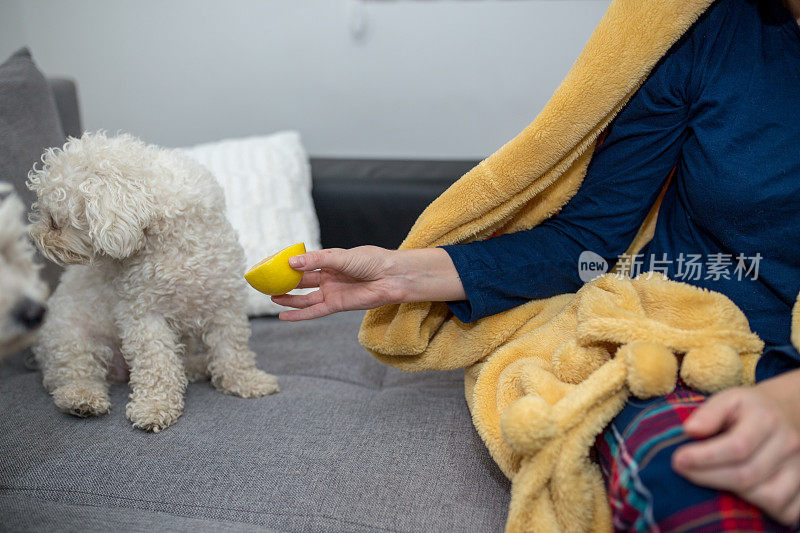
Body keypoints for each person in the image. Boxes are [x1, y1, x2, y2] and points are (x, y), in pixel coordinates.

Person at [273, 0, 800, 529]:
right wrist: (399, 273)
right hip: (690, 341)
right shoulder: (706, 28)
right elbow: (587, 241)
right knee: (694, 486)